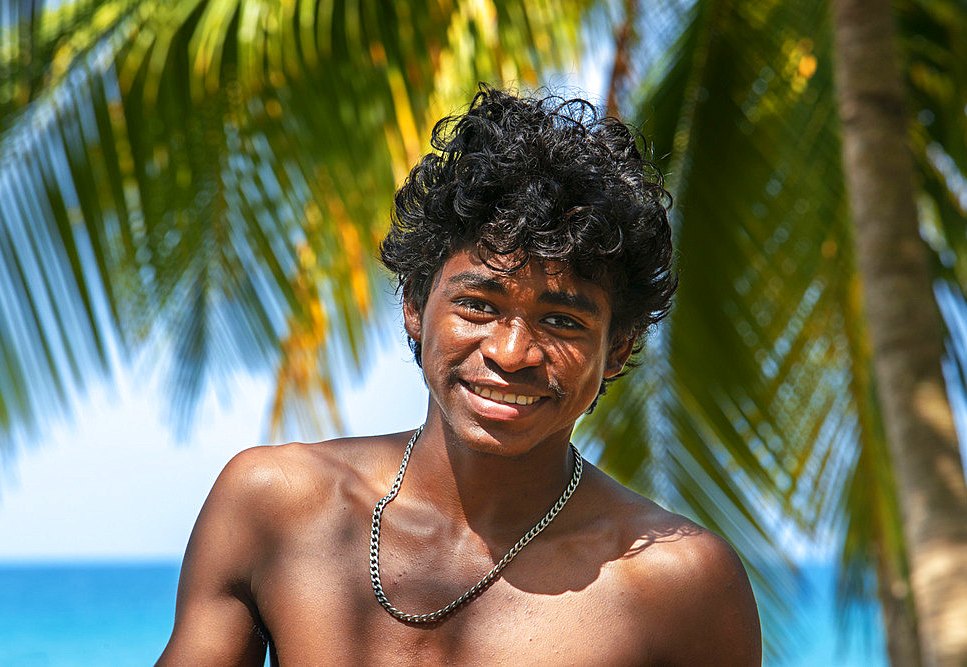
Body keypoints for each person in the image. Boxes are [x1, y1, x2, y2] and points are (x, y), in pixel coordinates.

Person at [157, 84, 761, 666]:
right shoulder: (276, 507)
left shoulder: (678, 585)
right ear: (416, 306)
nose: (512, 351)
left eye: (562, 320)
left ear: (619, 348)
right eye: (479, 306)